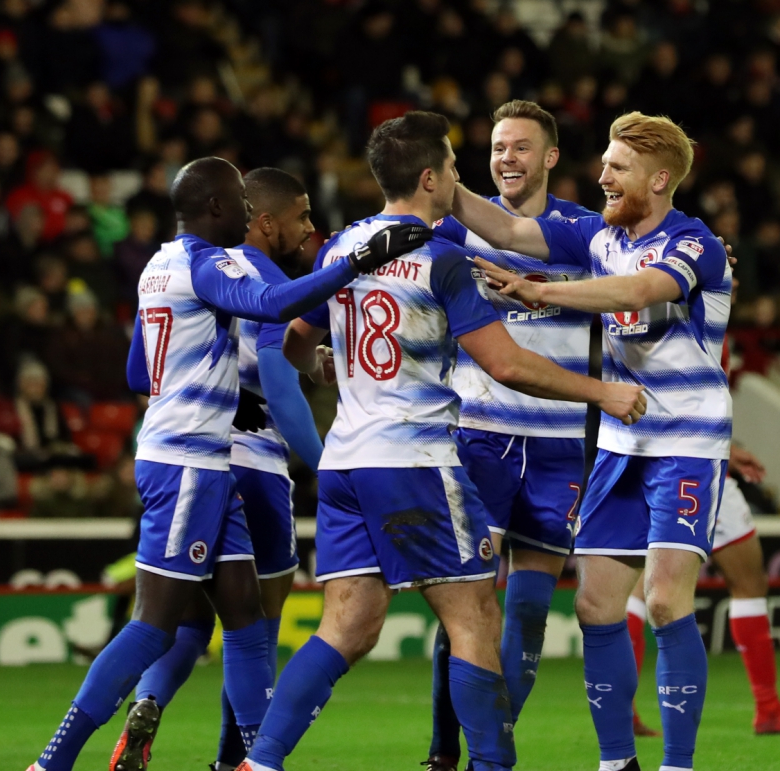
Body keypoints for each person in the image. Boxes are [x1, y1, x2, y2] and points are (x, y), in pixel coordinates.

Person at [235, 112, 646, 771]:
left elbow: (295, 339)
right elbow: (507, 364)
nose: (462, 177)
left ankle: (260, 762)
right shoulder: (440, 258)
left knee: (345, 626)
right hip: (415, 462)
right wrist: (603, 393)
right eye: (455, 166)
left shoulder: (341, 245)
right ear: (429, 178)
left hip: (346, 463)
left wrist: (321, 363)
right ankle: (487, 763)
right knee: (476, 617)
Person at [26, 155, 429, 771]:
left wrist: (203, 376)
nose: (247, 213)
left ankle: (252, 762)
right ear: (216, 208)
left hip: (205, 460)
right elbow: (271, 306)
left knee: (241, 615)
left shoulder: (157, 264)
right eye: (239, 203)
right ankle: (51, 762)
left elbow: (140, 371)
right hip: (188, 460)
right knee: (154, 625)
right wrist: (358, 262)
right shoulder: (208, 261)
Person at [451, 111, 730, 771]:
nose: (601, 176)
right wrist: (437, 178)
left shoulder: (695, 245)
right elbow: (510, 227)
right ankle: (616, 762)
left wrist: (547, 292)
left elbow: (640, 289)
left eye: (618, 167)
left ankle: (679, 765)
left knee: (663, 597)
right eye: (604, 163)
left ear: (659, 179)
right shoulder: (599, 237)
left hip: (686, 441)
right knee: (596, 603)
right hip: (618, 444)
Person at [110, 167, 332, 771]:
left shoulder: (187, 267)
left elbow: (140, 374)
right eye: (302, 217)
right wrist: (327, 468)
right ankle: (235, 759)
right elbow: (280, 390)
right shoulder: (259, 279)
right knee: (254, 624)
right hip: (253, 459)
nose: (310, 230)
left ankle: (149, 699)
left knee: (187, 619)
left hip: (188, 455)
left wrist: (312, 361)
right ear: (263, 219)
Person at [424, 99, 593, 771]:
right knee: (466, 605)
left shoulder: (583, 231)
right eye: (497, 148)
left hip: (557, 449)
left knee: (525, 614)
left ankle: (488, 753)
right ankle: (442, 752)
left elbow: (643, 266)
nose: (508, 159)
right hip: (480, 440)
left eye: (521, 147)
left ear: (550, 157)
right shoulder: (455, 232)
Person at [627, 444, 780, 736]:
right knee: (749, 584)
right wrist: (726, 447)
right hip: (697, 466)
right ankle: (768, 708)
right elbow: (690, 403)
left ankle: (621, 710)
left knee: (641, 583)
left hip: (642, 462)